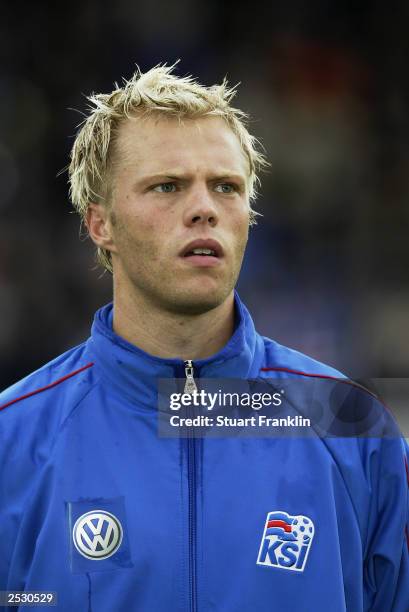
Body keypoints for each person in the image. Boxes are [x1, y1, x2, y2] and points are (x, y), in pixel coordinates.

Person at [0, 64, 408, 612]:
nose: (203, 208)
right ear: (101, 224)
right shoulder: (15, 437)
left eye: (226, 187)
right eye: (167, 186)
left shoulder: (349, 424)